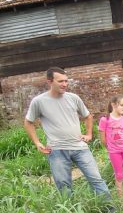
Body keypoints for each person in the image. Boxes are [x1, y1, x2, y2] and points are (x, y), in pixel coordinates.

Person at [24, 67, 111, 199]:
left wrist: (89, 134)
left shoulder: (73, 98)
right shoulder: (39, 101)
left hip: (80, 148)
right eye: (60, 81)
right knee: (64, 186)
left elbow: (88, 116)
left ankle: (111, 211)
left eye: (66, 81)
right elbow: (28, 122)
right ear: (50, 81)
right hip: (57, 150)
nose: (65, 84)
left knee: (96, 179)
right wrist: (37, 142)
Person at [99, 95, 123, 200]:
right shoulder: (105, 120)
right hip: (114, 152)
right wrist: (111, 148)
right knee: (119, 175)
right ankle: (121, 200)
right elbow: (103, 139)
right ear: (113, 105)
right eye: (122, 105)